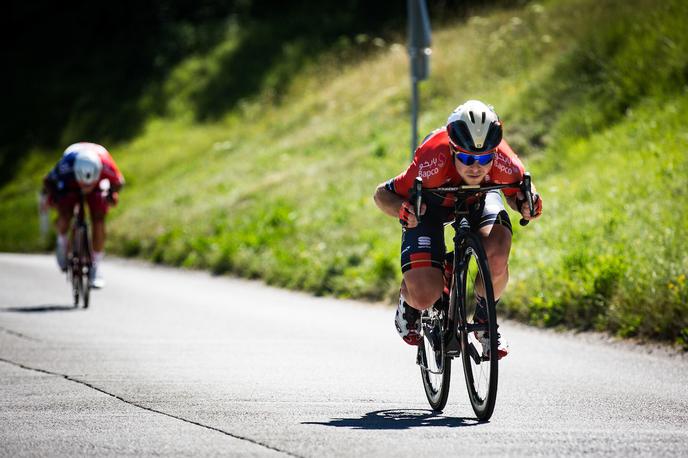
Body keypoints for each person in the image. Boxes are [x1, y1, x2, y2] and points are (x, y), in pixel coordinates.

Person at [373, 100, 542, 358]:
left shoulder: (505, 161)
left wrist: (526, 202)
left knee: (497, 248)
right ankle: (409, 300)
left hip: (479, 200)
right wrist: (403, 210)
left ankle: (486, 324)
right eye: (465, 157)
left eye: (485, 158)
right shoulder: (431, 158)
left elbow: (517, 191)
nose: (476, 167)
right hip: (430, 208)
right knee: (423, 296)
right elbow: (382, 195)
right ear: (452, 149)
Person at [41, 142, 125, 288]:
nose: (86, 188)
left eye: (88, 184)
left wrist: (112, 193)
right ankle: (61, 242)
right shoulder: (66, 166)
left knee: (98, 219)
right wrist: (54, 196)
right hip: (71, 182)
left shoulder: (105, 165)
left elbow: (119, 182)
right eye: (84, 183)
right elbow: (48, 181)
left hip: (97, 184)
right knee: (65, 213)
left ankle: (96, 266)